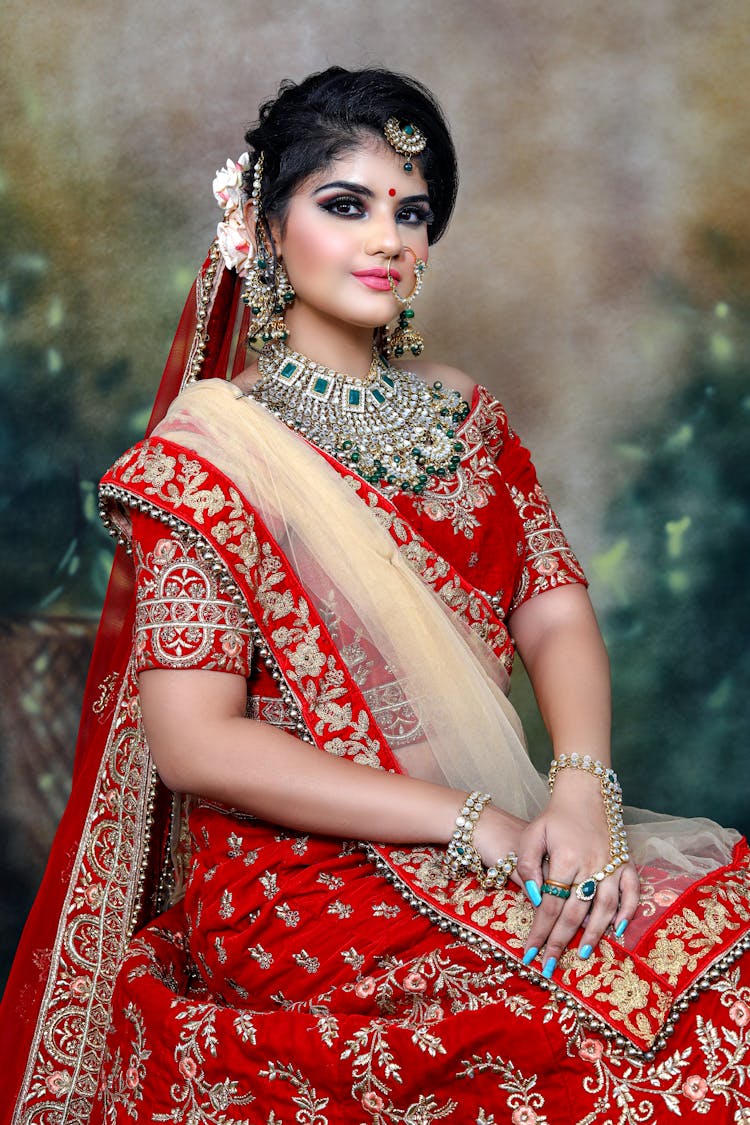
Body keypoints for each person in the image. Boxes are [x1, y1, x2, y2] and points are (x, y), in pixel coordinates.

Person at [1, 66, 749, 1125]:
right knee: (621, 1026)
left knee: (727, 953)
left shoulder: (462, 415)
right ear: (263, 230)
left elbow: (552, 604)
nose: (389, 237)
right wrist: (472, 824)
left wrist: (580, 790)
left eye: (413, 211)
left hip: (498, 827)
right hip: (296, 882)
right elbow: (197, 745)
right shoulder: (204, 459)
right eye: (345, 204)